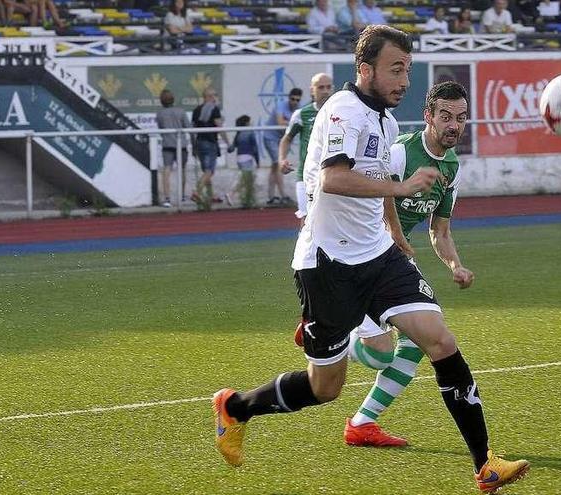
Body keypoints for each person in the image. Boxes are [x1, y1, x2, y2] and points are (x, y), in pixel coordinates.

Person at [211, 25, 530, 493]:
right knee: (327, 388)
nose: (404, 80)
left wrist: (396, 238)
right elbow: (336, 179)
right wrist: (401, 188)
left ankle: (485, 464)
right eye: (395, 69)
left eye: (408, 69)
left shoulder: (384, 121)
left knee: (439, 341)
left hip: (379, 257)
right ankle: (235, 407)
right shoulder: (344, 111)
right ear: (365, 69)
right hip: (328, 266)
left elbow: (377, 188)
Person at [340, 81, 478, 450]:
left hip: (392, 260)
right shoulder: (401, 153)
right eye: (446, 116)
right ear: (428, 116)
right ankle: (326, 332)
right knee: (380, 353)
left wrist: (455, 265)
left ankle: (362, 424)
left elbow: (440, 230)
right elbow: (378, 196)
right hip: (362, 256)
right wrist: (396, 236)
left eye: (461, 118)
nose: (454, 125)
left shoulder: (451, 167)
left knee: (421, 341)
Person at [278, 73, 333, 221]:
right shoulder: (302, 114)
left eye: (328, 87)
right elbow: (287, 138)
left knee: (332, 221)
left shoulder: (340, 112)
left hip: (333, 176)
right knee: (307, 220)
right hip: (306, 176)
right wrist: (282, 159)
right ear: (312, 90)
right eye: (321, 87)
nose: (325, 91)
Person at [191, 87, 229, 209]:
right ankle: (197, 191)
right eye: (214, 95)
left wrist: (194, 146)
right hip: (210, 142)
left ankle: (210, 195)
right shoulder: (214, 109)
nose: (215, 98)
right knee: (209, 171)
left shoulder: (196, 110)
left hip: (200, 142)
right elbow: (219, 127)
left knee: (206, 172)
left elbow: (192, 129)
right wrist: (228, 143)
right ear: (209, 97)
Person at [263, 87, 301, 206]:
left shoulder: (299, 109)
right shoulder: (281, 105)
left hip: (283, 139)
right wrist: (294, 121)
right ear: (289, 98)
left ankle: (271, 197)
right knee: (279, 164)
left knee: (274, 166)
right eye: (292, 99)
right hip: (270, 137)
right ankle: (283, 195)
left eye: (297, 100)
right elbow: (280, 122)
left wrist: (291, 121)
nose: (294, 101)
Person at [155, 89, 191, 208]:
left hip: (167, 144)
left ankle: (167, 199)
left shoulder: (159, 114)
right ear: (173, 99)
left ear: (161, 101)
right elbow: (188, 127)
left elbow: (161, 129)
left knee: (166, 170)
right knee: (182, 169)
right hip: (181, 145)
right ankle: (182, 196)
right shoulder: (181, 111)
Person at [227, 115, 260, 208]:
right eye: (250, 121)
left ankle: (247, 199)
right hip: (247, 158)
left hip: (239, 158)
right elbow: (255, 148)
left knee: (246, 180)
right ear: (246, 123)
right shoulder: (250, 132)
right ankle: (231, 194)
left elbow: (232, 148)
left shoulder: (239, 133)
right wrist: (258, 161)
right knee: (244, 180)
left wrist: (229, 147)